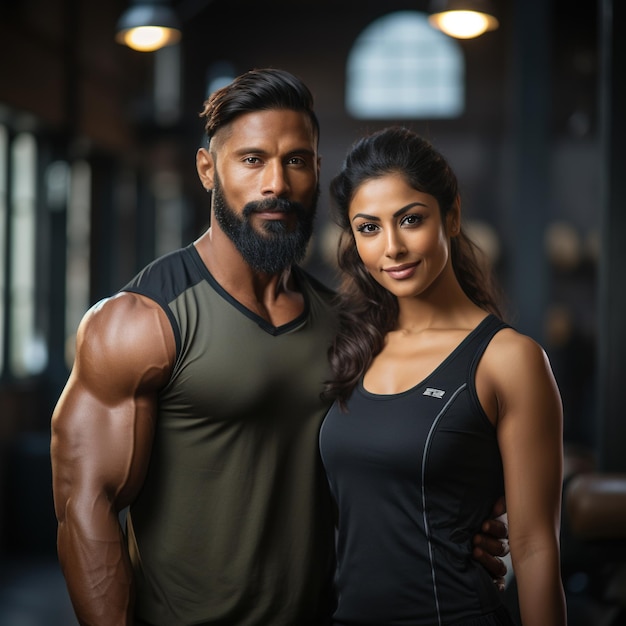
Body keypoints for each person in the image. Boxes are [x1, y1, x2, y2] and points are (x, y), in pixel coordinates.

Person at [50, 69, 510, 626]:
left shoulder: (348, 325)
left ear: (316, 171)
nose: (276, 184)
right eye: (251, 160)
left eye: (295, 161)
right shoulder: (140, 321)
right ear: (207, 170)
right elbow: (85, 507)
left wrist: (464, 527)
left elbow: (394, 457)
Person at [319, 126, 567, 626]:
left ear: (450, 215)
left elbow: (535, 547)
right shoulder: (348, 347)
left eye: (410, 220)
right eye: (369, 228)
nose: (392, 247)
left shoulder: (508, 359)